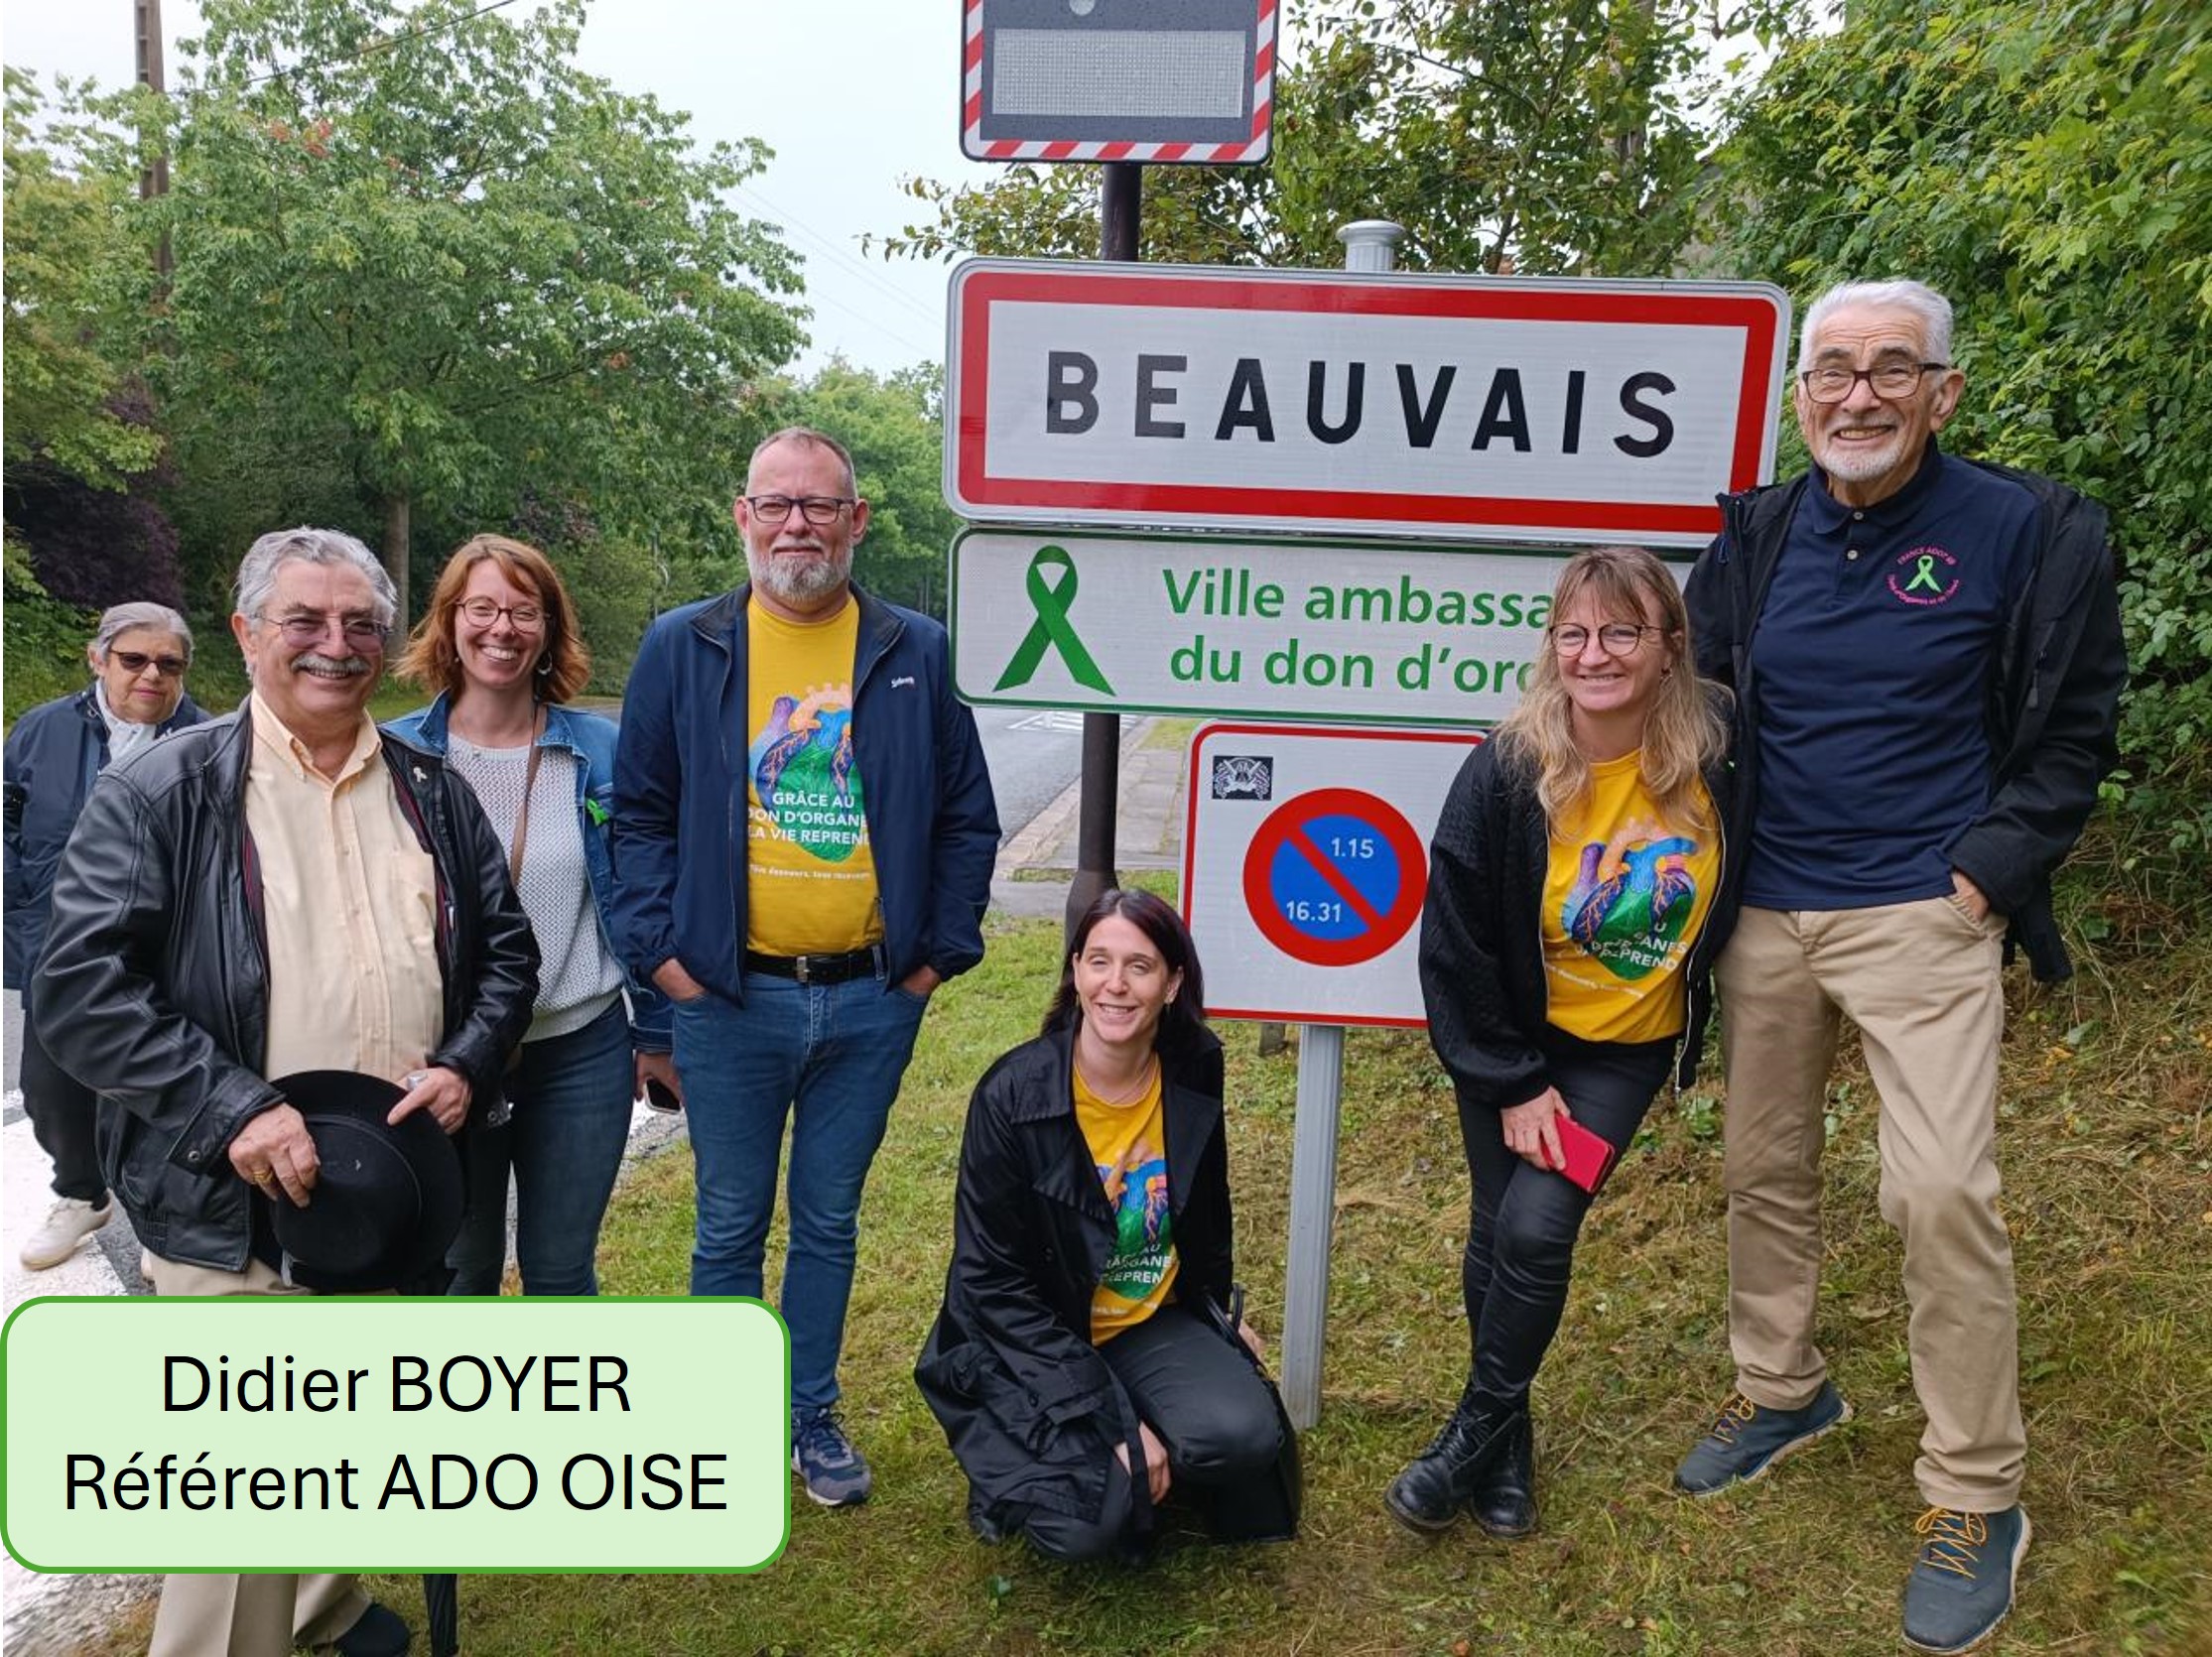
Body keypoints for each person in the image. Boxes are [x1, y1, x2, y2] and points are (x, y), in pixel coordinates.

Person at [1675, 278, 2125, 1656]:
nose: (1855, 396)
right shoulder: (1753, 536)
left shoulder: (2029, 531)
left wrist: (1989, 866)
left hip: (1923, 911)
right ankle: (1780, 1383)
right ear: (1798, 392)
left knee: (1936, 1188)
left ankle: (1975, 1488)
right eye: (1830, 371)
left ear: (1942, 390)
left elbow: (2075, 729)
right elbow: (1693, 704)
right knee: (1762, 1165)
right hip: (1767, 911)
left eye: (1888, 369)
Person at [33, 527, 538, 1657]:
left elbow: (507, 951)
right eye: (305, 621)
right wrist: (234, 1108)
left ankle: (319, 1600)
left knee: (340, 1435)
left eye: (361, 623)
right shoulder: (163, 789)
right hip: (229, 1208)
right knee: (232, 1513)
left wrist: (464, 1058)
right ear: (248, 634)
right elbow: (76, 989)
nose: (335, 645)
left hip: (386, 1192)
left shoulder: (428, 788)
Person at [612, 425, 999, 1507]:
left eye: (820, 506)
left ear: (856, 520)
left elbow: (968, 818)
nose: (797, 525)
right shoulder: (681, 648)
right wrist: (668, 961)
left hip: (874, 995)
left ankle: (809, 1414)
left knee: (829, 1215)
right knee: (731, 1216)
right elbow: (636, 816)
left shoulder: (917, 650)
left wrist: (933, 962)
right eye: (776, 503)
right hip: (731, 996)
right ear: (741, 516)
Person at [1390, 546, 1730, 1541]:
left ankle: (1469, 1430)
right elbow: (1455, 943)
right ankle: (1508, 1443)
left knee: (1537, 1227)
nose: (1595, 653)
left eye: (1622, 630)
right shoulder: (1505, 770)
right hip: (1511, 1040)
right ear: (1553, 647)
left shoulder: (1719, 756)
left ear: (1667, 644)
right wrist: (1510, 1078)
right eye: (1574, 632)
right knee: (1497, 1231)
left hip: (1622, 1050)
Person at [916, 889, 1286, 1561]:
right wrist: (1107, 1416)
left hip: (1146, 1320)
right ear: (1076, 972)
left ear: (1172, 984)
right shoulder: (1012, 1096)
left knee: (1243, 1439)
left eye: (1139, 967)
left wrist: (1217, 1314)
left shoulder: (1194, 1065)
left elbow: (1207, 1210)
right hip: (1036, 1337)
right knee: (1090, 1528)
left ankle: (1146, 1436)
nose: (1114, 985)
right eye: (1097, 962)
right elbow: (990, 1285)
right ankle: (1036, 1467)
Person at [389, 534, 675, 1296]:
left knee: (559, 1270)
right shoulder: (394, 756)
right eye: (481, 608)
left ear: (549, 628)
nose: (501, 629)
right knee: (460, 1270)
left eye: (524, 610)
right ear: (449, 622)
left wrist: (656, 1034)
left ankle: (559, 1409)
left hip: (579, 1051)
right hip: (446, 1055)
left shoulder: (600, 752)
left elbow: (644, 895)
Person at [5, 602, 205, 1270]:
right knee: (51, 1089)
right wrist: (21, 918)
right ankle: (83, 1193)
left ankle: (164, 1222)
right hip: (60, 948)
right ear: (98, 659)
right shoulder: (41, 731)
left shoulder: (209, 740)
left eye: (168, 664)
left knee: (164, 1086)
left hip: (165, 953)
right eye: (134, 660)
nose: (151, 674)